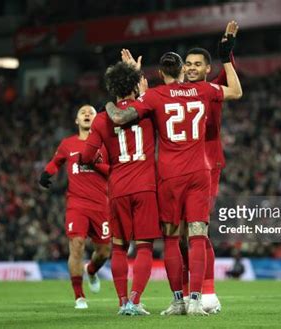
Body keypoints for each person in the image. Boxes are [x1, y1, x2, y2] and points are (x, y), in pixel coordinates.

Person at [104, 39, 242, 315]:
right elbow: (236, 92)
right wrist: (227, 58)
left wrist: (114, 99)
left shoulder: (155, 96)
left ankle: (178, 300)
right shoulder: (203, 89)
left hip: (169, 176)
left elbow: (121, 117)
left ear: (160, 73)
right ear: (183, 69)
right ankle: (196, 301)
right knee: (198, 235)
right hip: (200, 172)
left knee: (171, 238)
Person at [80, 61, 161, 315]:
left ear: (112, 88)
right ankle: (136, 301)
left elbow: (86, 156)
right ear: (135, 86)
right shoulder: (148, 109)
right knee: (144, 246)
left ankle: (122, 303)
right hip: (146, 186)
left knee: (118, 247)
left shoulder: (102, 119)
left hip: (117, 189)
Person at [180, 20, 239, 314]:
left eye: (196, 64)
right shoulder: (174, 93)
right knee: (182, 233)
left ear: (206, 69)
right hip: (177, 169)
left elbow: (235, 88)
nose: (191, 67)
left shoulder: (212, 88)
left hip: (207, 163)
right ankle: (188, 295)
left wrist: (227, 51)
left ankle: (209, 294)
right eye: (187, 63)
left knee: (199, 230)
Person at [39, 105, 111, 309]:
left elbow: (113, 171)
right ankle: (79, 296)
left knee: (105, 251)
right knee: (77, 245)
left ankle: (91, 271)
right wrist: (46, 174)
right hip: (77, 204)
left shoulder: (106, 145)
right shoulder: (68, 144)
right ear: (77, 121)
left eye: (91, 113)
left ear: (97, 120)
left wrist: (95, 163)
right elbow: (55, 162)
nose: (87, 114)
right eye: (82, 113)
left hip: (101, 205)